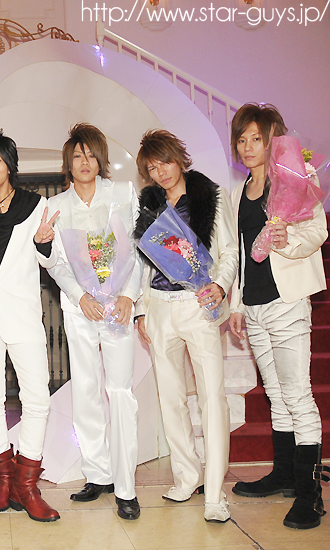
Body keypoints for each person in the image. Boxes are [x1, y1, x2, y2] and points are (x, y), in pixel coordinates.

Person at [228, 103, 328, 530]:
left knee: (297, 395)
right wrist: (236, 305)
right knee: (275, 393)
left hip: (287, 302)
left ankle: (310, 495)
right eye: (242, 139)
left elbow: (318, 230)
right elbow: (238, 252)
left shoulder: (296, 178)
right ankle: (284, 475)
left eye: (257, 138)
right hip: (253, 305)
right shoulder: (238, 192)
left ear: (273, 141)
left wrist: (288, 240)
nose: (248, 146)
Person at [134, 129, 238, 522]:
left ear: (179, 157)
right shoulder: (150, 204)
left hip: (198, 306)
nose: (160, 172)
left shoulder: (210, 195)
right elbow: (142, 264)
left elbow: (229, 251)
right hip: (160, 308)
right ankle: (186, 476)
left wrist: (220, 285)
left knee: (212, 396)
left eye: (164, 161)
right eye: (152, 167)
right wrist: (141, 310)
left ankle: (215, 492)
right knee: (171, 398)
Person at [0, 126, 60, 522]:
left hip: (22, 314)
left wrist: (44, 243)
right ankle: (4, 481)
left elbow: (50, 261)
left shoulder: (37, 206)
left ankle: (27, 484)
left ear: (10, 165)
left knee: (37, 398)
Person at [46, 123, 142, 520]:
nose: (84, 162)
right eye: (77, 155)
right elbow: (55, 261)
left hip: (118, 308)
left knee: (119, 392)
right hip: (80, 311)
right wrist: (78, 295)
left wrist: (128, 295)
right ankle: (98, 474)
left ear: (100, 159)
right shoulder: (56, 205)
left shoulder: (123, 193)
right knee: (85, 390)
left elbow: (138, 248)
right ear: (68, 163)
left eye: (90, 155)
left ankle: (126, 486)